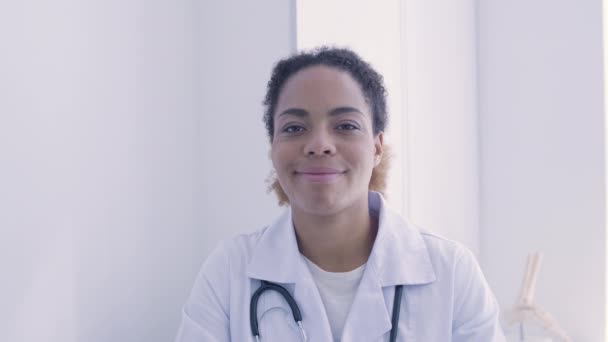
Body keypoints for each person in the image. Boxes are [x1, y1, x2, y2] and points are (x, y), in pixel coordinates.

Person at [174, 47, 506, 341]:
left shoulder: (451, 272)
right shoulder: (230, 270)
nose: (319, 144)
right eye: (294, 128)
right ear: (273, 147)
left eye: (345, 125)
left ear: (377, 147)